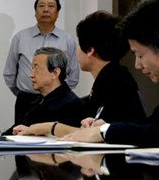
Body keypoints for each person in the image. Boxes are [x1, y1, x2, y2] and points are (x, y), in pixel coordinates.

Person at [62, 0, 159, 147]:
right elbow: (152, 127)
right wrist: (106, 127)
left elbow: (152, 132)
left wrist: (105, 131)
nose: (137, 65)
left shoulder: (117, 81)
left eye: (140, 55)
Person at [13, 11, 146, 137]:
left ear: (90, 50)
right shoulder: (112, 78)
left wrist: (49, 127)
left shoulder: (115, 83)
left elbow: (98, 133)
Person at [4, 0, 79, 123]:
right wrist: (24, 92)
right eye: (41, 6)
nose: (46, 10)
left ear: (58, 13)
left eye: (51, 6)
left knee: (53, 133)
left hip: (58, 103)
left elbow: (73, 76)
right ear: (35, 12)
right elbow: (9, 73)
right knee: (20, 134)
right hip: (26, 101)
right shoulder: (20, 37)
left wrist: (57, 94)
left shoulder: (68, 40)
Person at [8, 47, 82, 134]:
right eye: (32, 68)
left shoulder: (72, 106)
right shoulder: (37, 101)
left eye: (37, 68)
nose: (31, 75)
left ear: (55, 73)